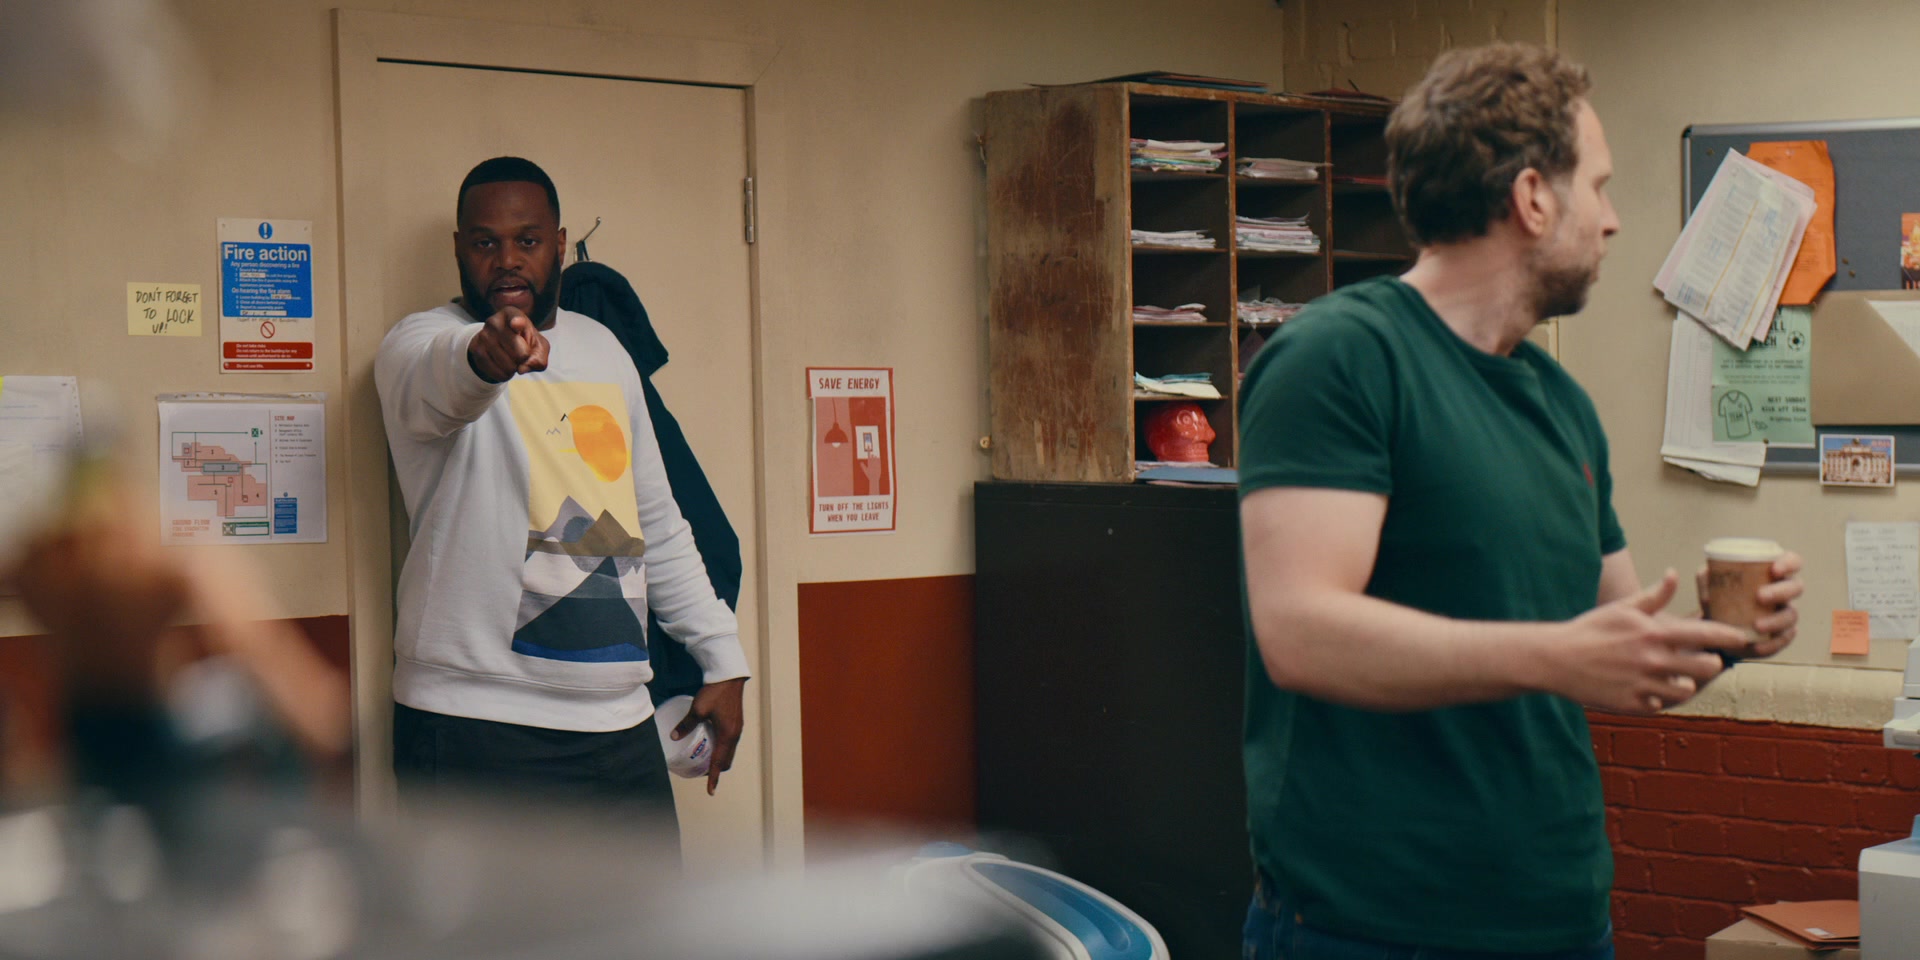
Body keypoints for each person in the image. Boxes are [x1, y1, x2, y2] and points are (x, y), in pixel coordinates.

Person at [1236, 44, 1804, 958]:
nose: (1613, 221)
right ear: (1533, 197)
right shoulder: (1342, 358)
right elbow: (1300, 633)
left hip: (1560, 916)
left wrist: (1726, 634)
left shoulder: (1559, 402)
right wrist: (1556, 656)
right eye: (1600, 188)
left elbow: (1619, 650)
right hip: (1375, 926)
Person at [375, 157, 750, 816]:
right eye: (485, 242)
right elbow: (444, 381)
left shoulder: (605, 350)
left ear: (559, 242)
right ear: (459, 248)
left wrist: (722, 657)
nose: (507, 260)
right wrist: (486, 357)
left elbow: (656, 522)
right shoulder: (421, 343)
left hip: (620, 726)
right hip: (472, 724)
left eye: (527, 240)